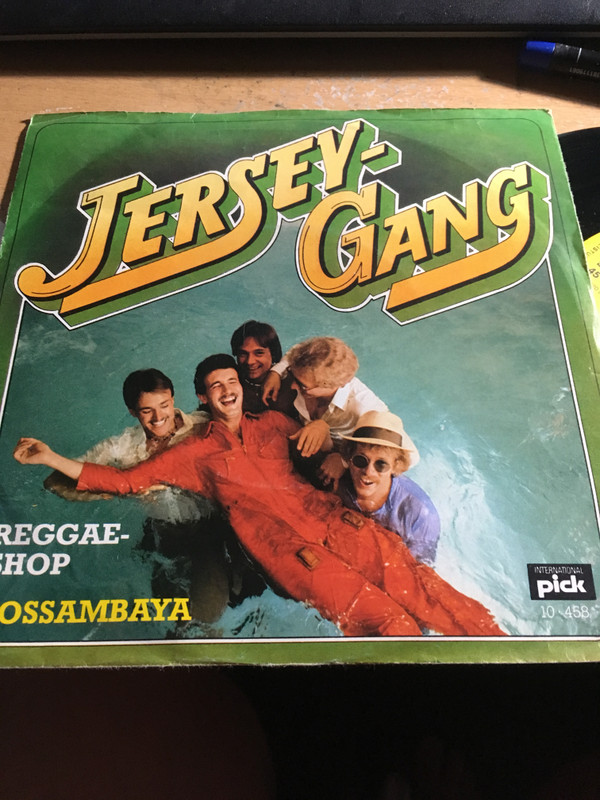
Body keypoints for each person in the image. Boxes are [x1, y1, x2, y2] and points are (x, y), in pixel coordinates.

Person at [14, 354, 504, 638]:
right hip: (286, 550)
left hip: (332, 520)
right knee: (388, 621)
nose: (227, 391)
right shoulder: (192, 453)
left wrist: (331, 445)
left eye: (232, 382)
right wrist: (52, 457)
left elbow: (329, 419)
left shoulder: (273, 422)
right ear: (202, 398)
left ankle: (504, 651)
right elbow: (125, 481)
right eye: (215, 387)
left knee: (427, 589)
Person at [44, 368, 233, 624]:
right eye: (146, 411)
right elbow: (55, 483)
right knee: (171, 614)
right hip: (162, 531)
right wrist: (115, 490)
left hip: (208, 529)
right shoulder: (120, 447)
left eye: (164, 405)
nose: (159, 417)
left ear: (173, 399)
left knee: (209, 612)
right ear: (133, 412)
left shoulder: (203, 427)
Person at [263, 336, 401, 488]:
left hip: (338, 457)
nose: (293, 386)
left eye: (302, 386)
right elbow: (294, 352)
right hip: (306, 436)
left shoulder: (364, 406)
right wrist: (276, 372)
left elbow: (400, 455)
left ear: (331, 385)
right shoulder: (305, 371)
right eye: (292, 375)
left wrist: (343, 460)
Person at [338, 410, 440, 565]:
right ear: (349, 457)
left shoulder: (420, 516)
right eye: (361, 460)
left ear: (396, 466)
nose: (368, 472)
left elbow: (421, 569)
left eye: (381, 464)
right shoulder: (340, 480)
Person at [230, 319, 297, 417]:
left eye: (259, 353)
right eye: (243, 354)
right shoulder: (230, 381)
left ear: (273, 353)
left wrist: (276, 372)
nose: (250, 361)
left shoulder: (292, 382)